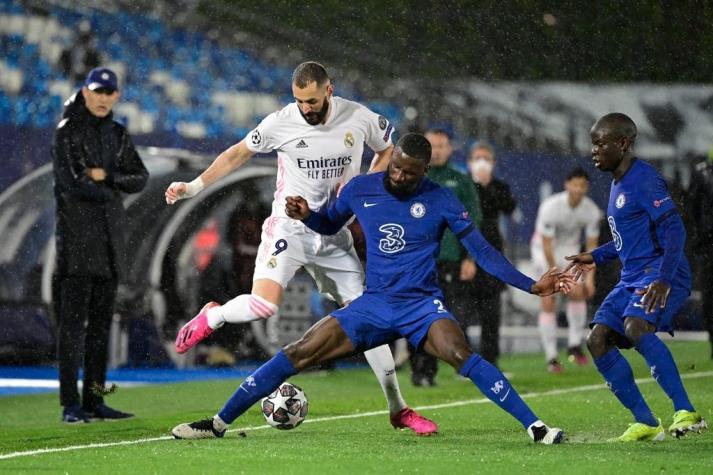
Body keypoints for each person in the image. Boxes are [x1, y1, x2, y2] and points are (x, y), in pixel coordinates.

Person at [171, 133, 571, 444]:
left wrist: (531, 285)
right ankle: (218, 423)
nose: (397, 175)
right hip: (374, 304)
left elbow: (482, 251)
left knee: (461, 353)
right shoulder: (363, 187)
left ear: (424, 172)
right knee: (299, 351)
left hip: (421, 307)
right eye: (395, 166)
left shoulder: (444, 200)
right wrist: (308, 215)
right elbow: (330, 224)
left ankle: (535, 426)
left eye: (408, 173)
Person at [165, 61, 436, 435]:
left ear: (329, 90)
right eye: (298, 100)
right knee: (263, 306)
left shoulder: (358, 117)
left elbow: (388, 149)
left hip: (333, 235)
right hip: (289, 229)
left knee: (371, 320)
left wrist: (364, 183)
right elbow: (237, 153)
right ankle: (215, 315)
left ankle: (399, 408)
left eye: (311, 100)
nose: (305, 108)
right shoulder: (281, 122)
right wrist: (194, 186)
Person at [566, 113, 707, 441]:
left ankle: (686, 411)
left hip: (659, 272)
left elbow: (675, 230)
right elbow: (628, 238)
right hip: (633, 275)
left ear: (623, 144)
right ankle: (645, 421)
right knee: (597, 339)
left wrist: (664, 280)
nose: (594, 151)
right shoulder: (617, 182)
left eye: (600, 143)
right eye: (593, 144)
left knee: (636, 326)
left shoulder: (644, 179)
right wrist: (596, 256)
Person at [52, 67, 148, 423]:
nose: (104, 98)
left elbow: (140, 178)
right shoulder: (67, 133)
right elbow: (71, 184)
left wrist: (106, 176)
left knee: (100, 329)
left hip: (109, 245)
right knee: (73, 329)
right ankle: (69, 404)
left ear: (116, 96)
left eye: (110, 92)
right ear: (86, 92)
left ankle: (93, 400)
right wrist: (111, 190)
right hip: (76, 245)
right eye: (98, 91)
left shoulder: (117, 133)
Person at [406, 129, 481, 386]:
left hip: (449, 259)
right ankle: (420, 371)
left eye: (441, 146)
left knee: (450, 315)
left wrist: (470, 257)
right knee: (416, 317)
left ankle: (457, 364)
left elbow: (474, 220)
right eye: (432, 146)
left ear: (450, 149)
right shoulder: (411, 178)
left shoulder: (459, 181)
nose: (436, 151)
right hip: (416, 261)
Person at [530, 167, 602, 372]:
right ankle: (551, 356)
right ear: (566, 184)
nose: (578, 189)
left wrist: (590, 279)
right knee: (548, 298)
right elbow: (546, 245)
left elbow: (591, 247)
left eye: (582, 185)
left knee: (578, 293)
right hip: (544, 252)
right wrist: (556, 274)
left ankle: (574, 345)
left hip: (569, 251)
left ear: (587, 187)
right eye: (575, 184)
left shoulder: (591, 210)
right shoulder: (550, 207)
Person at [465, 141, 517, 366]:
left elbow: (510, 208)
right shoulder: (463, 185)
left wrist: (486, 186)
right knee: (461, 310)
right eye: (477, 158)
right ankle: (465, 359)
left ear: (493, 163)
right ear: (469, 163)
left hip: (493, 252)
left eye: (486, 158)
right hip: (466, 252)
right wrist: (475, 186)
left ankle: (491, 359)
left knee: (491, 312)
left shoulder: (500, 187)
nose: (482, 163)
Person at [687, 151, 713, 358]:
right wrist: (698, 236)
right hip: (709, 245)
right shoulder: (702, 173)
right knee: (709, 295)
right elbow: (692, 208)